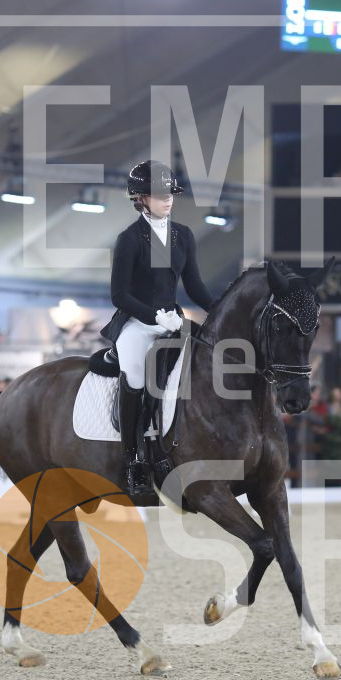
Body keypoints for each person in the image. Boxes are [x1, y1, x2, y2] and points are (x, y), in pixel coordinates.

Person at [98, 159, 216, 502]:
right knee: (136, 378)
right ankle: (133, 460)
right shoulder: (129, 239)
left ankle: (176, 450)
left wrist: (220, 309)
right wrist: (153, 317)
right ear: (140, 198)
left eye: (170, 194)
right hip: (136, 323)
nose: (168, 200)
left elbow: (194, 286)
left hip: (173, 321)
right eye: (159, 194)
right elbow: (119, 295)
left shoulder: (184, 236)